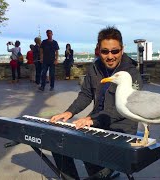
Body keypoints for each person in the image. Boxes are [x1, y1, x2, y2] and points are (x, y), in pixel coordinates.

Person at [49, 26, 143, 180]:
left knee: (88, 149)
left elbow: (125, 106)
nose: (110, 56)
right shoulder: (95, 67)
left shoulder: (131, 73)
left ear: (122, 49)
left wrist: (93, 120)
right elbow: (86, 94)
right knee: (57, 139)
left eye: (115, 51)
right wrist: (69, 112)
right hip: (97, 123)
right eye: (105, 51)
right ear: (98, 50)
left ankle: (102, 174)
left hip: (120, 128)